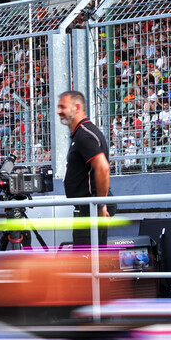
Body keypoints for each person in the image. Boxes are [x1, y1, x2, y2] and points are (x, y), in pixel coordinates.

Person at [58, 90, 113, 249]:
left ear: (76, 107)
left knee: (89, 264)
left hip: (91, 208)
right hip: (86, 208)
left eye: (63, 107)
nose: (58, 111)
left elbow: (102, 167)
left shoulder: (84, 135)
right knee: (86, 263)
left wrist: (100, 205)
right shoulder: (80, 134)